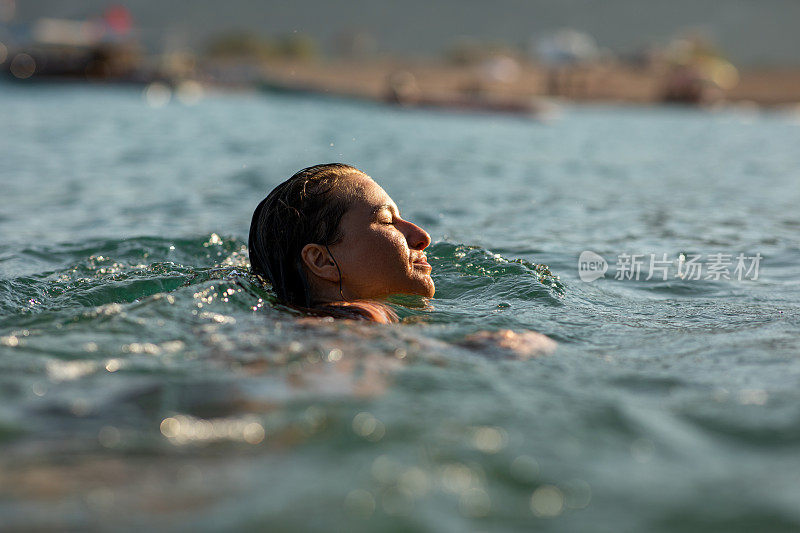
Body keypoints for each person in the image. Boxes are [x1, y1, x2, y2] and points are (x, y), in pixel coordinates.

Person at [249, 163, 433, 323]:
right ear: (322, 261)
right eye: (386, 221)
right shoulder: (364, 315)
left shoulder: (289, 320)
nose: (422, 237)